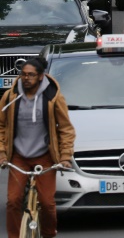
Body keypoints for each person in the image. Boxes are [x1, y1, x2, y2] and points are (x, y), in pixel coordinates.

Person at [0, 58, 75, 238]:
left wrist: (65, 157)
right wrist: (2, 153)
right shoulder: (10, 97)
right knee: (13, 201)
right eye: (23, 74)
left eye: (31, 75)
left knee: (48, 203)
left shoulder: (53, 97)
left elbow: (66, 129)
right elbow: (1, 126)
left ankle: (49, 234)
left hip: (45, 156)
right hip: (19, 156)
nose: (26, 78)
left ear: (40, 77)